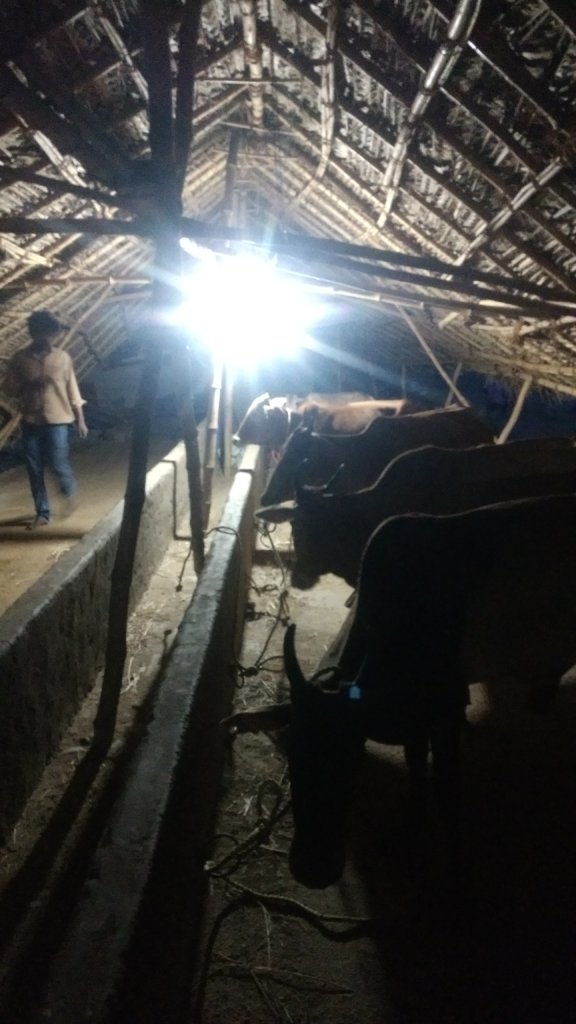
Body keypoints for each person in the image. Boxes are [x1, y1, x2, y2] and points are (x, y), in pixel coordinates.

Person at [3, 310, 88, 528]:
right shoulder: (19, 360)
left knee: (58, 462)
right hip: (31, 421)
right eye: (44, 335)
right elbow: (8, 389)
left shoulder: (62, 358)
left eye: (51, 336)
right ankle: (42, 512)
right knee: (34, 468)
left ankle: (68, 490)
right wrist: (27, 385)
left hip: (59, 420)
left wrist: (81, 419)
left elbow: (73, 390)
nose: (48, 340)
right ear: (34, 333)